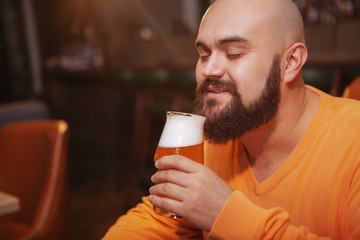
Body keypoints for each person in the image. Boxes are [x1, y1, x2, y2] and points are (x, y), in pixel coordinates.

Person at [103, 0, 360, 239]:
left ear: (291, 62)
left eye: (234, 53)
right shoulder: (218, 133)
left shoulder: (353, 141)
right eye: (204, 54)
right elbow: (159, 220)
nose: (207, 70)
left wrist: (225, 214)